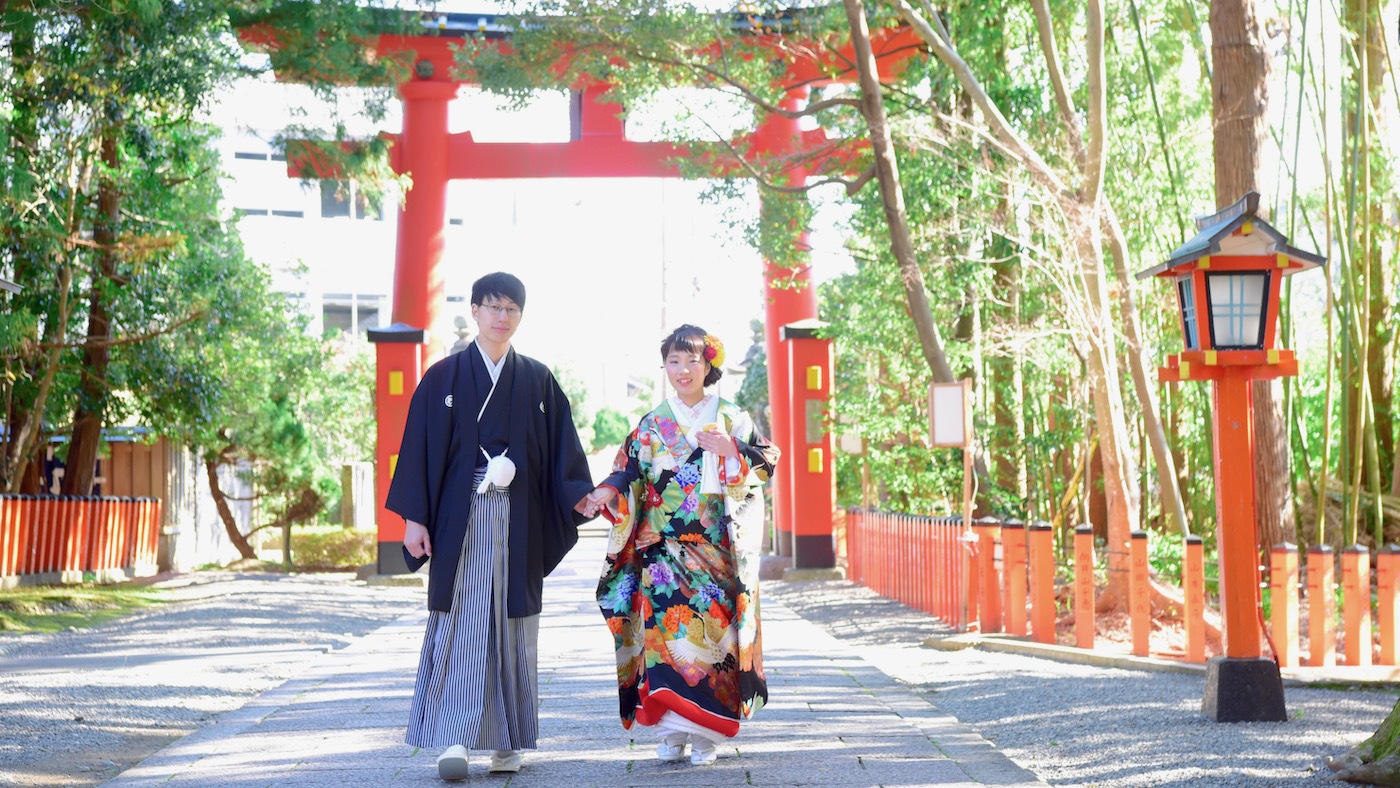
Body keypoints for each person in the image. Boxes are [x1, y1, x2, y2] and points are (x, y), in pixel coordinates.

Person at [386, 272, 596, 781]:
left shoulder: (537, 379)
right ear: (475, 310)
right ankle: (453, 738)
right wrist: (415, 518)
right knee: (459, 619)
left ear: (520, 317)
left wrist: (581, 494)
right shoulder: (443, 378)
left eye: (512, 310)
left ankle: (507, 743)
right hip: (459, 518)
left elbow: (561, 450)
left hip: (517, 516)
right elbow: (418, 447)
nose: (503, 317)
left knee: (512, 625)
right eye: (494, 307)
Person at [581, 324, 779, 767]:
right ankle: (672, 735)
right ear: (665, 366)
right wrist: (607, 491)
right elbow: (629, 470)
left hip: (716, 550)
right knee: (665, 643)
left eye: (692, 360)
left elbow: (767, 460)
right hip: (663, 551)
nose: (683, 369)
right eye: (674, 361)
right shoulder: (654, 422)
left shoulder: (732, 416)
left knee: (713, 645)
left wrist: (732, 448)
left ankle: (707, 736)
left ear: (708, 364)